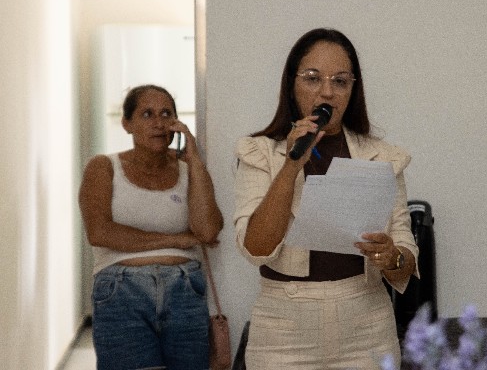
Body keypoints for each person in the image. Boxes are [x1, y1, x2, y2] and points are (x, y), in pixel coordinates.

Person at [233, 28, 419, 369]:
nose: (327, 92)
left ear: (352, 90)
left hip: (367, 326)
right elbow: (256, 248)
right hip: (283, 331)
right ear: (292, 84)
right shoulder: (260, 153)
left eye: (340, 81)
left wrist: (392, 256)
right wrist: (291, 166)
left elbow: (405, 257)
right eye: (313, 78)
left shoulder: (383, 157)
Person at [79, 84, 224, 370]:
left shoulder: (190, 169)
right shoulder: (103, 167)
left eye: (166, 114)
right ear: (127, 124)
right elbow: (100, 232)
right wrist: (177, 240)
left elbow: (207, 231)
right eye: (147, 114)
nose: (159, 123)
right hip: (122, 290)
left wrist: (194, 160)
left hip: (185, 289)